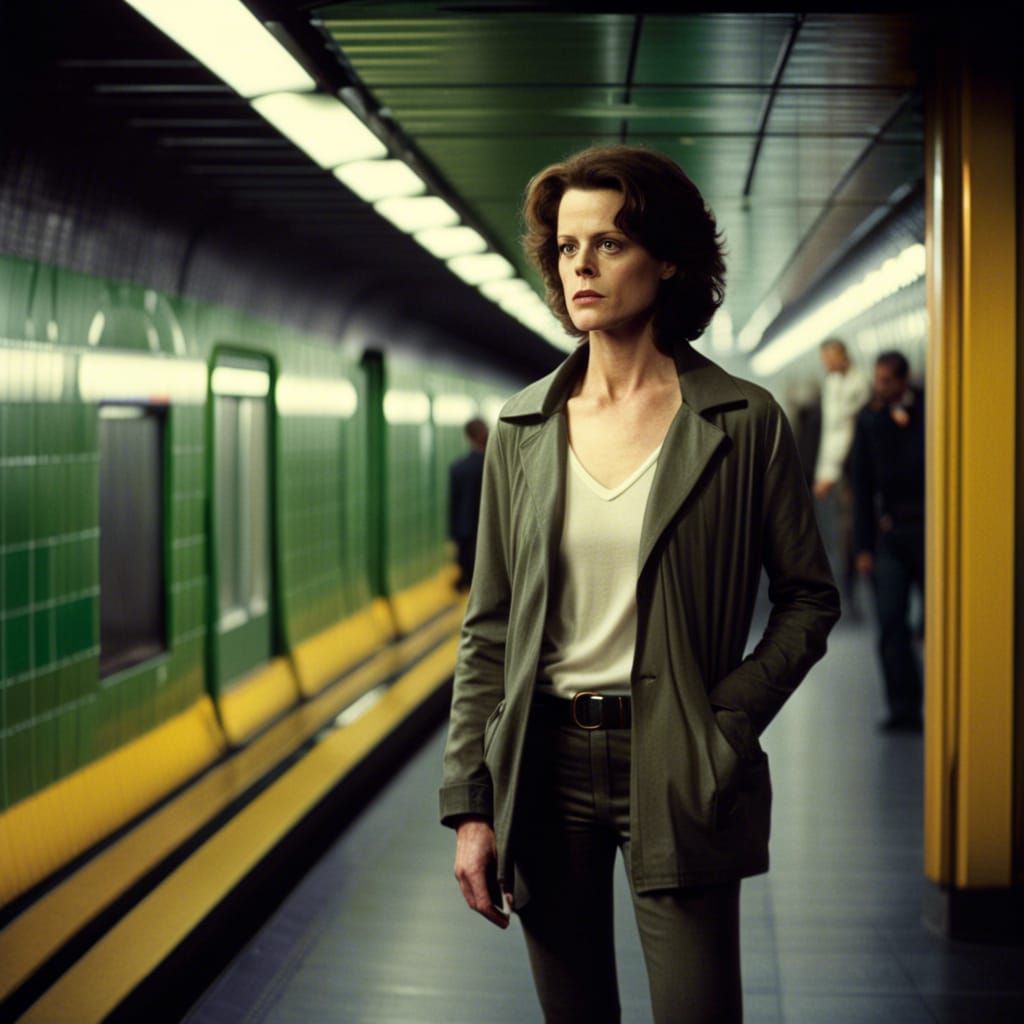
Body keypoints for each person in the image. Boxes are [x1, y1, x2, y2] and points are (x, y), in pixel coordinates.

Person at [439, 145, 840, 1023]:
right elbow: (490, 628)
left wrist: (726, 716)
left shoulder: (741, 422)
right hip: (543, 767)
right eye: (567, 247)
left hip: (682, 757)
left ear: (667, 259)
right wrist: (472, 803)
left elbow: (810, 597)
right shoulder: (523, 427)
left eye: (610, 243)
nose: (581, 265)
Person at [849, 351, 925, 732]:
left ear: (903, 380)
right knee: (891, 620)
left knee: (934, 623)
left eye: (886, 381)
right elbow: (862, 487)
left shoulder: (930, 409)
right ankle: (903, 706)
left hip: (931, 532)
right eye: (877, 380)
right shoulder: (869, 419)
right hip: (890, 534)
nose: (880, 387)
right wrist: (863, 547)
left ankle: (944, 697)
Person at [812, 339, 869, 615]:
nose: (826, 364)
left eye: (828, 358)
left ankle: (856, 584)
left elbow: (846, 433)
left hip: (853, 466)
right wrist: (824, 472)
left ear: (842, 356)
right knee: (844, 527)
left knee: (852, 527)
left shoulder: (860, 385)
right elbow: (829, 433)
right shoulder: (832, 383)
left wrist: (829, 473)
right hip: (838, 468)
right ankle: (849, 585)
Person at [449, 417, 489, 590]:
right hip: (491, 535)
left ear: (468, 437)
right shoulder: (499, 465)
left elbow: (454, 507)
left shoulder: (459, 468)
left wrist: (454, 536)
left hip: (467, 535)